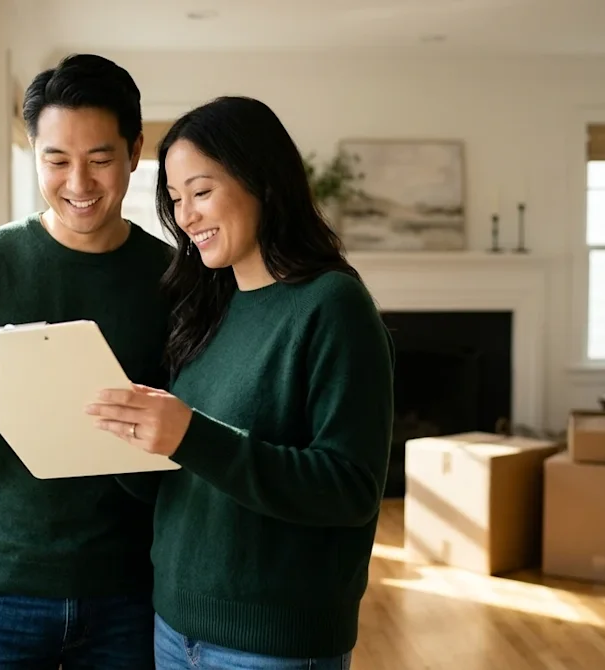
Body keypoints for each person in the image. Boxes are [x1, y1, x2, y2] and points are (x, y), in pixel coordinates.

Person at [85, 96, 396, 669]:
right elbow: (187, 481)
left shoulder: (332, 306)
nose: (186, 217)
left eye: (201, 193)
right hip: (174, 626)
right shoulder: (204, 308)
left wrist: (190, 435)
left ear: (264, 182)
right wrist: (124, 440)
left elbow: (349, 488)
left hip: (272, 644)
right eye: (175, 200)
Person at [0, 53, 172, 670]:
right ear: (34, 153)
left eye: (100, 160)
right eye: (55, 160)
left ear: (135, 151)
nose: (78, 183)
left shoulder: (173, 278)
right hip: (1, 586)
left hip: (129, 587)